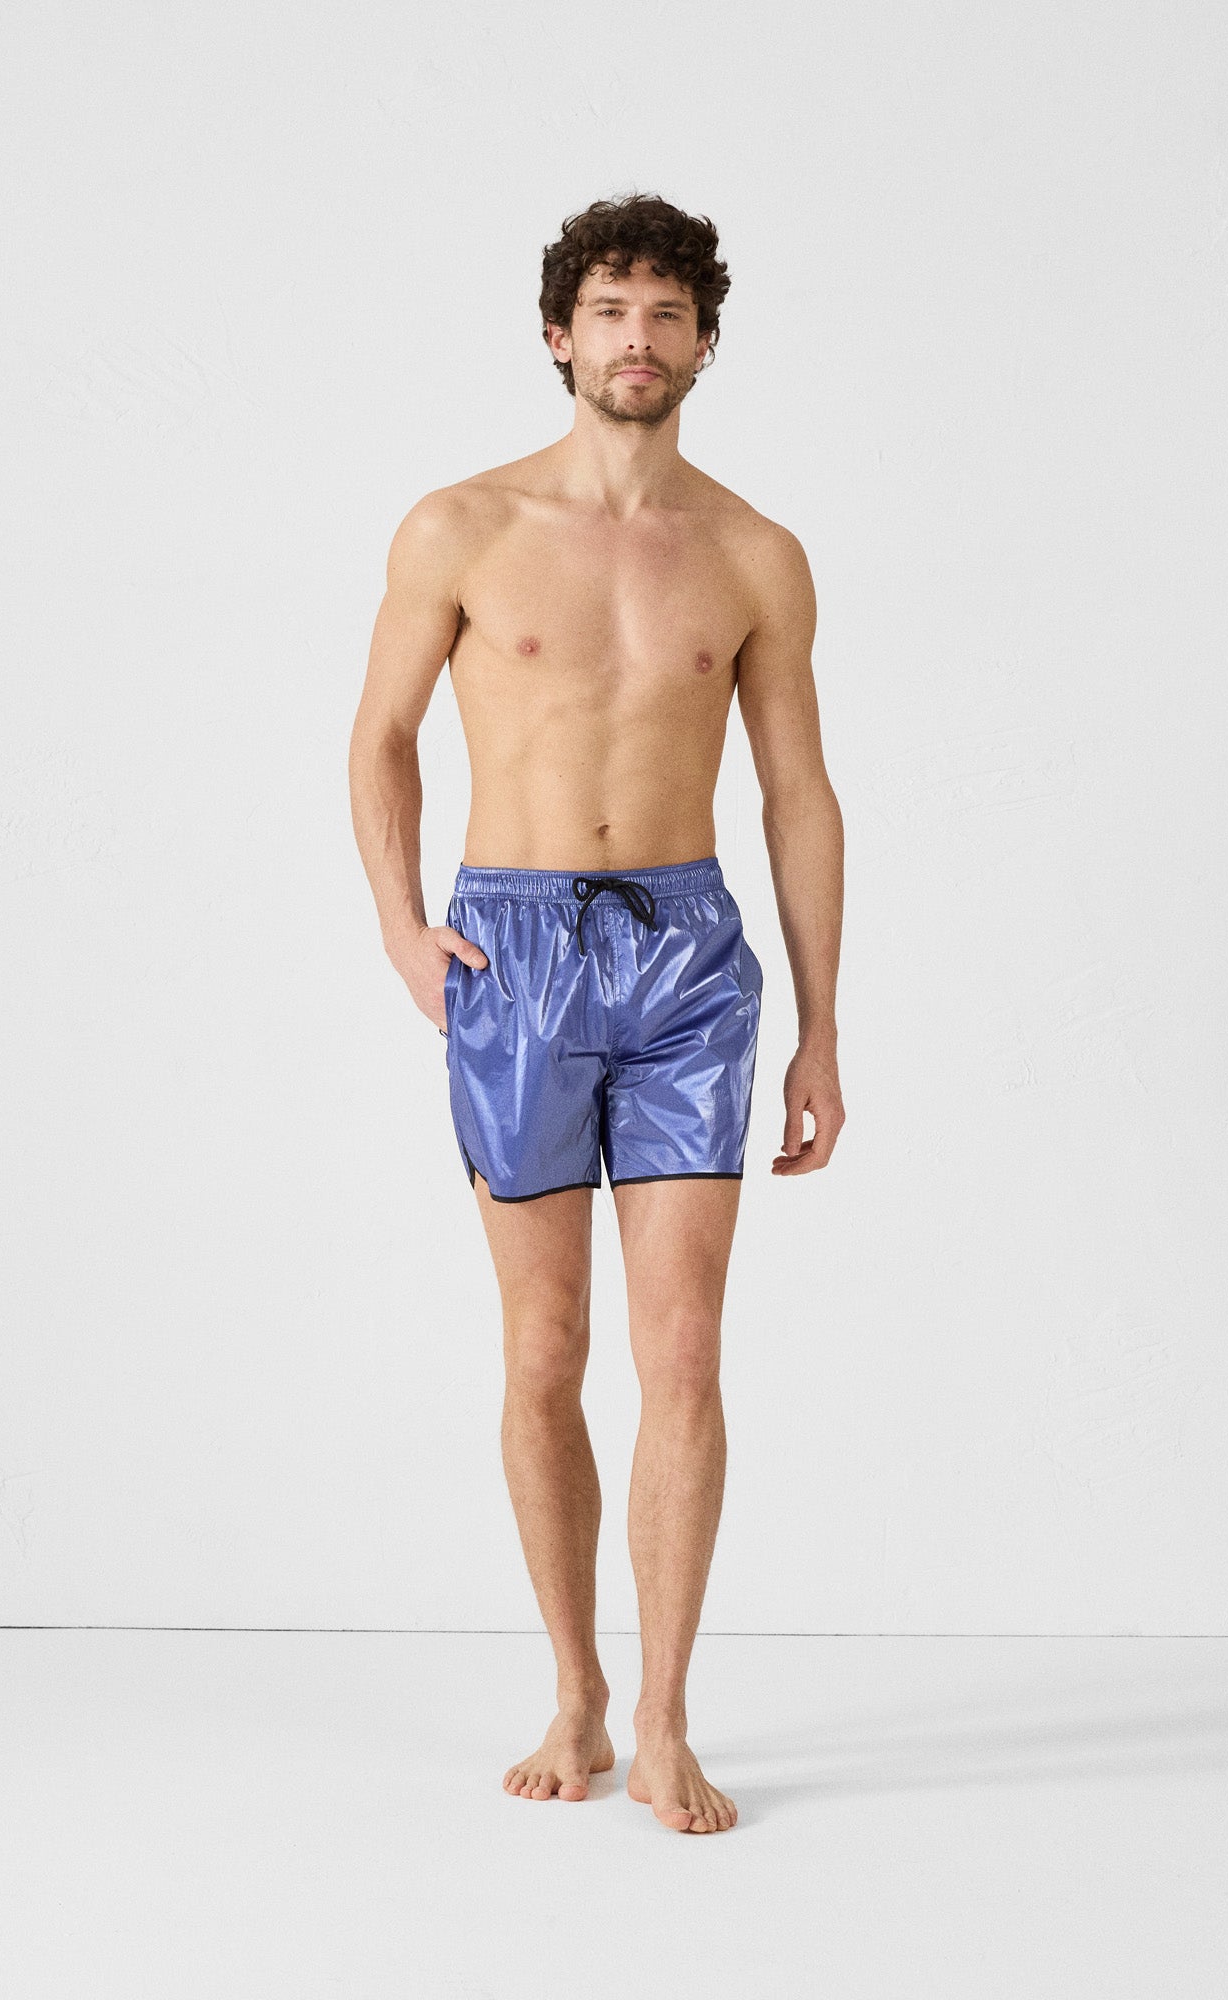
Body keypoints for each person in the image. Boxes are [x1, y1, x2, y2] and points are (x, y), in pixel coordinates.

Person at [348, 193, 845, 1835]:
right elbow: (380, 737)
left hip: (690, 963)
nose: (640, 339)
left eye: (669, 314)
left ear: (704, 343)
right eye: (613, 311)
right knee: (545, 1344)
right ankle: (577, 1689)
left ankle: (674, 1718)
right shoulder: (461, 527)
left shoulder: (756, 553)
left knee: (684, 1347)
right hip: (514, 952)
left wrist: (822, 1028)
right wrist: (403, 931)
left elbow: (798, 794)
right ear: (560, 336)